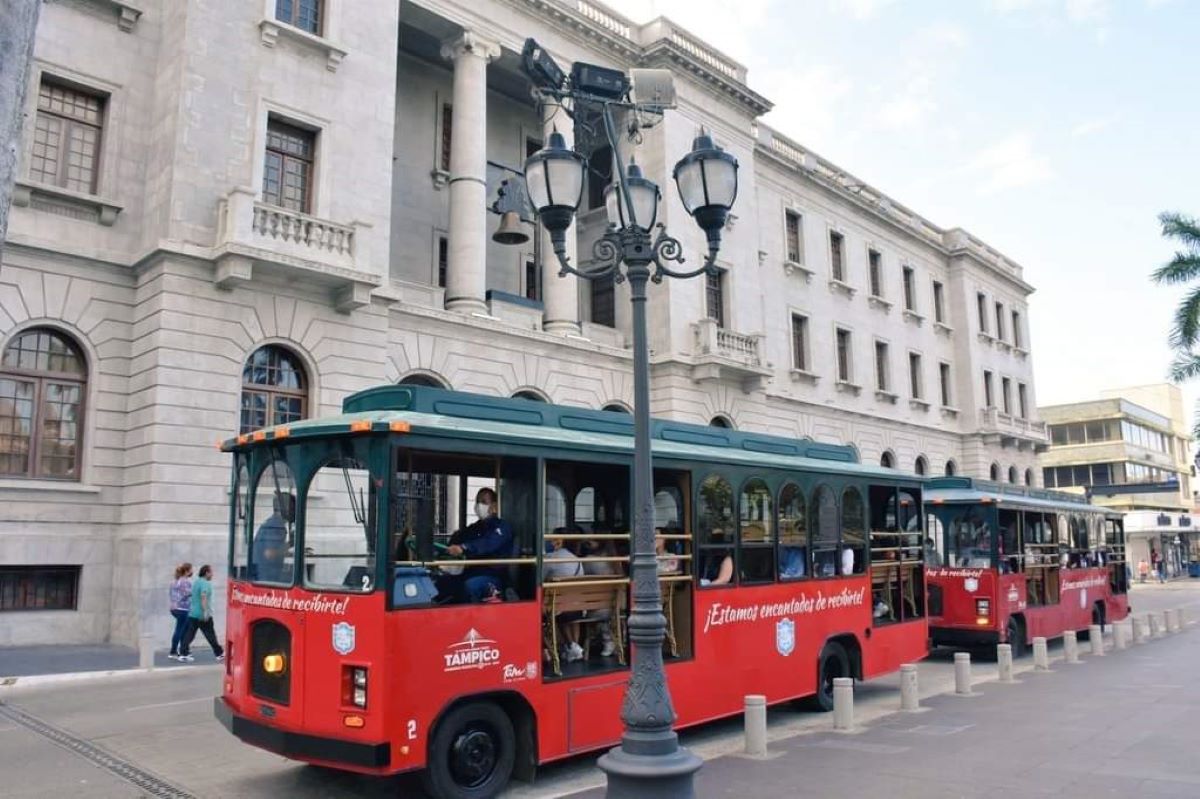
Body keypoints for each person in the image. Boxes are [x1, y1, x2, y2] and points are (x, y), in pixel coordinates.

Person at [437, 488, 514, 603]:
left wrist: (464, 547)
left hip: (493, 577)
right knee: (442, 582)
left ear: (494, 506)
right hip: (471, 572)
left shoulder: (502, 527)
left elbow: (488, 543)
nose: (479, 505)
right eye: (477, 502)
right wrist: (453, 541)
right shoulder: (475, 527)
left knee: (469, 586)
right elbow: (462, 537)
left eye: (483, 502)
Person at [179, 564, 224, 663]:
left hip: (193, 613)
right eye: (211, 572)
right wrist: (205, 612)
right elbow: (203, 596)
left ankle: (183, 653)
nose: (212, 574)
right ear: (207, 573)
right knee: (210, 634)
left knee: (189, 634)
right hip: (202, 614)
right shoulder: (205, 584)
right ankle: (219, 653)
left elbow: (192, 594)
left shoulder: (196, 582)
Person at [252, 493, 293, 582]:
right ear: (286, 508)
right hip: (267, 577)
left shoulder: (271, 522)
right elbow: (269, 553)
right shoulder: (276, 525)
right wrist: (289, 546)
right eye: (293, 508)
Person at [168, 563, 193, 660]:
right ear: (187, 571)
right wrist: (194, 591)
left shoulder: (174, 582)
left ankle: (184, 650)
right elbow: (186, 593)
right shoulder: (185, 582)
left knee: (184, 629)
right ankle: (174, 651)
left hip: (174, 608)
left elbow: (171, 594)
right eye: (191, 570)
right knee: (180, 630)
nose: (192, 571)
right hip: (182, 608)